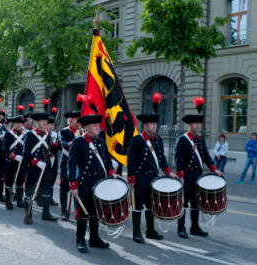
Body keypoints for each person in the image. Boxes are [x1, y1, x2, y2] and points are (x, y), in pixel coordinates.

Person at [67, 96, 120, 253]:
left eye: (98, 125)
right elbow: (71, 165)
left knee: (96, 211)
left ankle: (95, 238)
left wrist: (112, 172)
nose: (98, 128)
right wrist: (73, 186)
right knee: (84, 212)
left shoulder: (100, 141)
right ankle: (80, 239)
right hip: (84, 183)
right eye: (95, 125)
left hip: (100, 182)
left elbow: (107, 160)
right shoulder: (78, 142)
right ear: (87, 127)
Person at [127, 93, 178, 243]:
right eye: (152, 124)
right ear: (145, 125)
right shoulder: (137, 140)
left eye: (156, 124)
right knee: (137, 206)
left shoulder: (158, 140)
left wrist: (169, 172)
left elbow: (161, 158)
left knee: (151, 206)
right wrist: (131, 179)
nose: (155, 126)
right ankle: (137, 232)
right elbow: (131, 161)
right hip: (140, 178)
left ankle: (150, 231)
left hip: (154, 178)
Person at [175, 97, 223, 239]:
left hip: (198, 175)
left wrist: (214, 169)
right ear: (189, 124)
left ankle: (194, 227)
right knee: (184, 202)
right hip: (187, 176)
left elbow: (207, 157)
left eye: (198, 123)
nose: (197, 125)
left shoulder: (200, 140)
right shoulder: (183, 139)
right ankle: (181, 227)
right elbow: (179, 159)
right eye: (195, 123)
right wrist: (180, 176)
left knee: (196, 202)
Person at [23, 98, 59, 224]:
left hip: (46, 166)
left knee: (46, 189)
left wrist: (54, 141)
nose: (45, 123)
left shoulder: (49, 134)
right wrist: (36, 162)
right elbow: (26, 152)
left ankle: (46, 213)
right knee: (31, 189)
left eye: (46, 121)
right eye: (43, 121)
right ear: (36, 122)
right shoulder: (30, 134)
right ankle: (28, 213)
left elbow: (54, 150)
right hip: (35, 166)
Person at [59, 94, 83, 220]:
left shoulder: (83, 132)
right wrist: (74, 142)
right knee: (64, 186)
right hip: (66, 162)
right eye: (75, 119)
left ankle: (77, 211)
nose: (78, 121)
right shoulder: (65, 131)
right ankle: (64, 210)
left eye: (79, 119)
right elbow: (63, 143)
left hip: (79, 164)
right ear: (70, 121)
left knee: (77, 187)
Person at [2, 105, 26, 208]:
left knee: (20, 181)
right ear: (13, 123)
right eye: (17, 123)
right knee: (9, 181)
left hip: (21, 162)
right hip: (11, 161)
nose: (19, 125)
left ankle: (20, 200)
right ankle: (8, 201)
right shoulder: (8, 134)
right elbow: (5, 149)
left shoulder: (25, 134)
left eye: (20, 123)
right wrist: (14, 156)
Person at [46, 107, 60, 206]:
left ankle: (50, 198)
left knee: (52, 177)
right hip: (45, 159)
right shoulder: (43, 134)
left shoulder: (55, 134)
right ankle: (40, 197)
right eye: (50, 124)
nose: (52, 126)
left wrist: (55, 141)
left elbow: (56, 149)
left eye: (53, 124)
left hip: (53, 159)